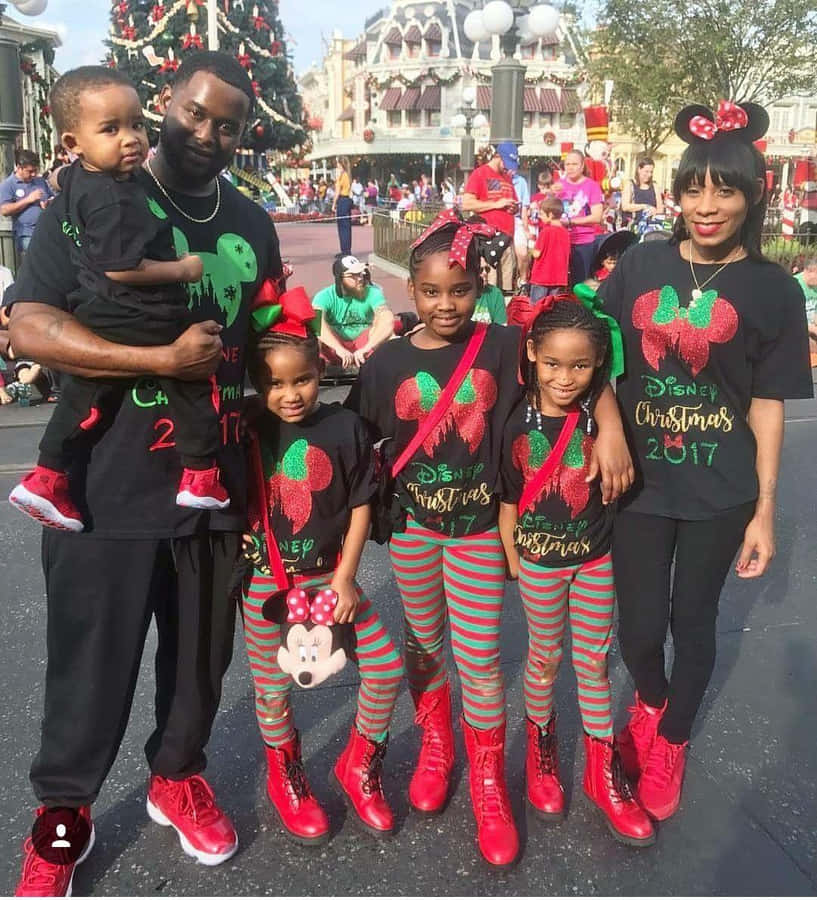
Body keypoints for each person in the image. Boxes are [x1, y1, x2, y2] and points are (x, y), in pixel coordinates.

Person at [9, 51, 284, 896]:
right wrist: (157, 355)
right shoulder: (88, 202)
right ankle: (64, 813)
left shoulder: (251, 220)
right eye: (194, 113)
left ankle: (177, 774)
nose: (207, 133)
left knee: (202, 660)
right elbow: (30, 329)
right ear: (164, 105)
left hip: (214, 483)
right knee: (89, 663)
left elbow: (272, 343)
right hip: (104, 485)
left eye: (227, 123)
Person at [599, 100, 812, 824]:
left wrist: (764, 510)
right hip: (636, 484)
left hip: (720, 490)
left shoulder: (772, 290)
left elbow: (767, 403)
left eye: (724, 189)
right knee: (633, 629)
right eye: (693, 188)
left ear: (753, 194)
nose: (706, 205)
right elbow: (595, 353)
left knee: (690, 622)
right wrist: (606, 432)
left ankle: (673, 737)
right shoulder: (639, 262)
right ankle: (652, 703)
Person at [346, 209, 524, 867]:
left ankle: (486, 781)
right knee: (422, 645)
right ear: (409, 291)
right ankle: (436, 743)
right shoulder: (386, 362)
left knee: (478, 658)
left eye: (460, 289)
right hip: (415, 532)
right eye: (431, 292)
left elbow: (584, 365)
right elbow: (352, 442)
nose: (446, 304)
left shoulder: (505, 347)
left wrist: (611, 429)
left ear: (479, 286)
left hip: (478, 531)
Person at [9, 67, 230, 534]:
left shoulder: (90, 184)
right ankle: (202, 472)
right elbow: (34, 324)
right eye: (111, 129)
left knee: (87, 395)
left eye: (135, 125)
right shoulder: (114, 197)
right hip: (105, 508)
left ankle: (48, 475)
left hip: (205, 532)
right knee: (192, 385)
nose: (130, 139)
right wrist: (182, 279)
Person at [240, 297, 404, 843]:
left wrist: (345, 577)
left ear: (322, 368)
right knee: (272, 689)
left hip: (332, 578)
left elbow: (360, 502)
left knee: (384, 669)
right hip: (268, 584)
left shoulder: (345, 427)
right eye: (275, 384)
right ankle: (285, 774)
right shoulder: (245, 431)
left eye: (303, 379)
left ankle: (358, 764)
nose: (290, 395)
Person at [498, 292, 654, 846]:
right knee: (544, 657)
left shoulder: (602, 418)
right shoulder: (515, 418)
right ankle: (542, 752)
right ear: (533, 355)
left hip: (594, 560)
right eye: (553, 365)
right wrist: (513, 553)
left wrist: (607, 416)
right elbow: (508, 494)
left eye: (581, 366)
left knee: (592, 661)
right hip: (540, 563)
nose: (565, 378)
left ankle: (600, 768)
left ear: (598, 367)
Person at [312, 255, 395, 368]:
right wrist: (338, 348)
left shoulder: (373, 292)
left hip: (365, 345)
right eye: (353, 275)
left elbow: (387, 319)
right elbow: (316, 323)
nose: (360, 278)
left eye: (360, 273)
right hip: (334, 346)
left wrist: (367, 348)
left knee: (391, 337)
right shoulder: (324, 296)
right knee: (313, 337)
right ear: (340, 278)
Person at [462, 142, 519, 293]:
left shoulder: (507, 177)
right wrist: (496, 204)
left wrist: (514, 208)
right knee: (489, 285)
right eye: (506, 163)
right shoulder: (480, 173)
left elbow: (513, 202)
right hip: (489, 240)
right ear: (498, 156)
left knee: (506, 287)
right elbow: (466, 204)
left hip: (507, 238)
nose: (508, 167)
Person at [560, 149, 604, 285]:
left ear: (582, 166)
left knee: (580, 284)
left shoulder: (592, 186)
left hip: (583, 242)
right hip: (561, 240)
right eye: (567, 164)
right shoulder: (559, 185)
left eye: (574, 164)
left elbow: (597, 216)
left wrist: (571, 222)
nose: (570, 168)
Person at [0, 149, 53, 259]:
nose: (33, 174)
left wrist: (49, 202)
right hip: (27, 234)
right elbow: (4, 210)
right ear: (19, 168)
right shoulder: (8, 185)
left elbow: (52, 197)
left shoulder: (40, 181)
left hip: (47, 230)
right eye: (30, 171)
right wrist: (28, 199)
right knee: (40, 261)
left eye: (35, 170)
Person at [529, 196, 571, 301]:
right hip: (559, 278)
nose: (540, 217)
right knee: (553, 309)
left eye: (542, 214)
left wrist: (530, 247)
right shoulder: (566, 233)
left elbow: (536, 254)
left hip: (541, 277)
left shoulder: (545, 231)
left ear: (551, 215)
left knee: (537, 308)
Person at [621, 157, 664, 229]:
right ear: (639, 169)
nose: (649, 175)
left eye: (651, 172)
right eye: (646, 171)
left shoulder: (654, 186)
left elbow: (660, 208)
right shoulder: (630, 184)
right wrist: (644, 207)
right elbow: (625, 206)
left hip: (650, 226)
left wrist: (654, 212)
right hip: (633, 225)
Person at [794, 257, 817, 366]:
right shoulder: (794, 285)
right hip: (799, 330)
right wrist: (813, 329)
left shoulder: (815, 286)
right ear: (810, 271)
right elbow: (793, 320)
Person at [511, 167, 531, 287]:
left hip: (516, 221)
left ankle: (523, 281)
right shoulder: (496, 180)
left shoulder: (521, 182)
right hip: (500, 221)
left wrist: (526, 228)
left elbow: (524, 208)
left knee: (523, 253)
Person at [472, 257, 508, 325]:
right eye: (480, 270)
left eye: (487, 269)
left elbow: (501, 328)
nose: (485, 273)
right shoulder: (462, 295)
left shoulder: (495, 293)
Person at [332, 156, 353, 256]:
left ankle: (345, 251)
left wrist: (334, 203)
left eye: (337, 163)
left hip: (343, 200)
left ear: (340, 164)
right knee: (346, 227)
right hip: (347, 200)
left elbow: (337, 191)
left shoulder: (341, 175)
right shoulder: (348, 175)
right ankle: (346, 249)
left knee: (342, 227)